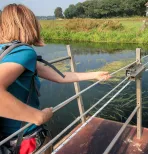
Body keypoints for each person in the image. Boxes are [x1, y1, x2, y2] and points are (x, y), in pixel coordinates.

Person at [0, 4, 111, 154]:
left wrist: (95, 74)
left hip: (5, 139)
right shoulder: (23, 51)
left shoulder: (5, 52)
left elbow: (60, 76)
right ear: (28, 24)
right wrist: (39, 116)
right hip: (26, 139)